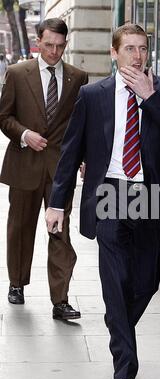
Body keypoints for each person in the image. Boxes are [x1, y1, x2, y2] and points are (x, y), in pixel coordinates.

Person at [45, 23, 160, 379]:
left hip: (152, 197)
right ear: (114, 53)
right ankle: (123, 368)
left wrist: (150, 97)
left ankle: (117, 321)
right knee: (114, 279)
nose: (138, 56)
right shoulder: (93, 94)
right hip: (109, 193)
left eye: (143, 48)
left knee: (146, 282)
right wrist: (57, 201)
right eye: (129, 49)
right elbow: (71, 149)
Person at [0, 18, 88, 319]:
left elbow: (81, 125)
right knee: (20, 229)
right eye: (49, 45)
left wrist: (85, 157)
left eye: (60, 46)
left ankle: (60, 300)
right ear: (39, 41)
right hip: (24, 164)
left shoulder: (78, 77)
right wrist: (24, 134)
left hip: (60, 169)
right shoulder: (16, 73)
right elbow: (4, 117)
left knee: (59, 233)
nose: (54, 52)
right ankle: (17, 282)